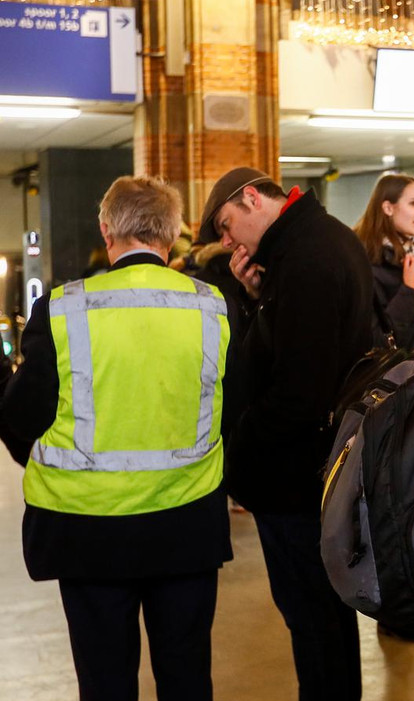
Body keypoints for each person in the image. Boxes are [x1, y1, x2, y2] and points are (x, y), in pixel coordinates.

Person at [0, 176, 232, 701]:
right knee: (187, 675)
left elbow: (17, 415)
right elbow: (234, 406)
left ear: (106, 230)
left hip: (86, 533)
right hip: (186, 523)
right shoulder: (212, 305)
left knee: (104, 680)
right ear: (172, 235)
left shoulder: (62, 308)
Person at [201, 167, 372, 701]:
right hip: (312, 470)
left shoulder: (307, 257)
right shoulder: (310, 244)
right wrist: (257, 294)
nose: (227, 242)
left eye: (227, 226)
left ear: (252, 197)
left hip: (297, 478)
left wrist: (239, 448)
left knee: (313, 618)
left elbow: (300, 390)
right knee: (324, 615)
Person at [355, 173, 414, 348]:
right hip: (398, 372)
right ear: (388, 208)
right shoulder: (366, 263)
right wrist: (409, 290)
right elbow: (377, 341)